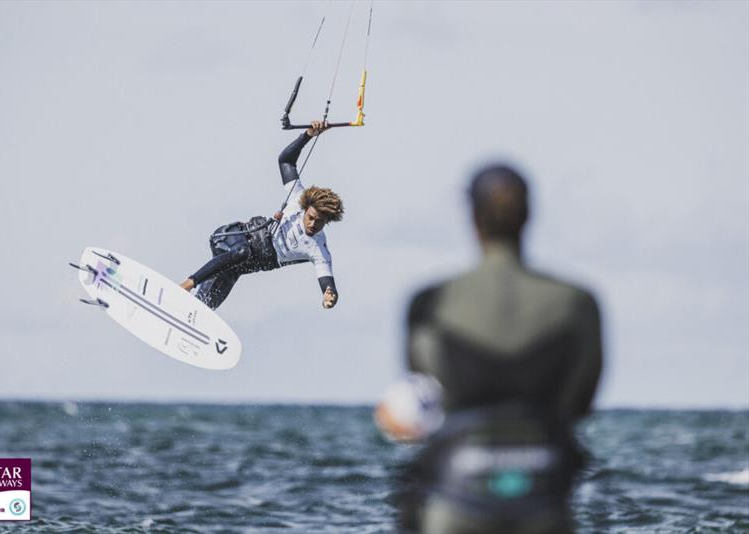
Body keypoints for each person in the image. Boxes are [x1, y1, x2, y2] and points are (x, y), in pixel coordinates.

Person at [378, 164, 603, 534]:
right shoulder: (577, 304)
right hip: (545, 503)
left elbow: (425, 405)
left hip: (455, 503)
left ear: (473, 219)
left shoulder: (429, 303)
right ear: (529, 215)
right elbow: (579, 404)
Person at [179, 120, 343, 310]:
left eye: (319, 222)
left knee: (205, 305)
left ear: (327, 222)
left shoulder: (318, 248)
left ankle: (186, 312)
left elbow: (328, 284)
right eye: (311, 217)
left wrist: (329, 295)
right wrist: (308, 135)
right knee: (242, 253)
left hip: (240, 264)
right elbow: (286, 160)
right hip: (233, 238)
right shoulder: (298, 197)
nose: (313, 224)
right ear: (306, 209)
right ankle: (188, 284)